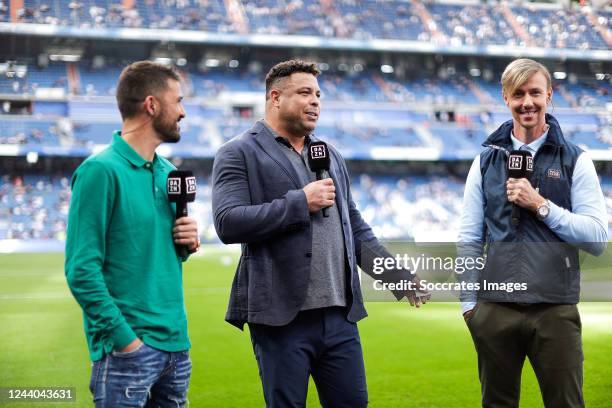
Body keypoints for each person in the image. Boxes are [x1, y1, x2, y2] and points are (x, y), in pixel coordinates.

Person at [212, 59, 424, 407]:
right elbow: (228, 221)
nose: (315, 102)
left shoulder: (329, 154)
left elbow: (353, 226)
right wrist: (299, 202)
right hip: (282, 319)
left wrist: (396, 276)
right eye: (305, 93)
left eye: (318, 94)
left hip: (340, 316)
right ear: (275, 98)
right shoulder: (239, 152)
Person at [458, 58, 608, 408]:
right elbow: (469, 237)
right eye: (518, 94)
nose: (527, 102)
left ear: (549, 96)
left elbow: (598, 239)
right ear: (505, 98)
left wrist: (541, 205)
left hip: (555, 310)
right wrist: (469, 306)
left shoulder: (575, 160)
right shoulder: (484, 161)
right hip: (495, 309)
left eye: (535, 93)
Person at [65, 61, 199, 408]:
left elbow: (158, 252)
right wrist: (125, 340)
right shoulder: (99, 171)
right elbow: (81, 270)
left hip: (176, 348)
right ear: (152, 105)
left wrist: (185, 243)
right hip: (129, 352)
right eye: (178, 101)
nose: (183, 112)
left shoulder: (170, 173)